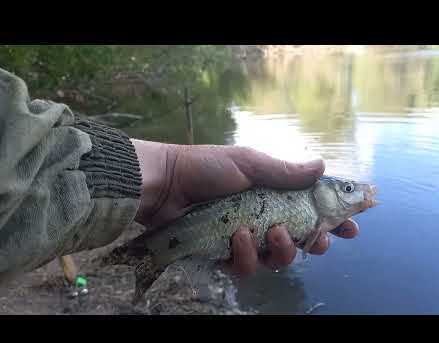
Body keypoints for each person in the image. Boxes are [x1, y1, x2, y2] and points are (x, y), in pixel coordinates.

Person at [0, 67, 359, 283]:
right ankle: (153, 254)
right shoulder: (309, 193)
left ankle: (158, 253)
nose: (356, 194)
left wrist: (170, 171)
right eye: (347, 188)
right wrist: (167, 171)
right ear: (321, 189)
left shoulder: (321, 216)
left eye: (350, 189)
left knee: (256, 246)